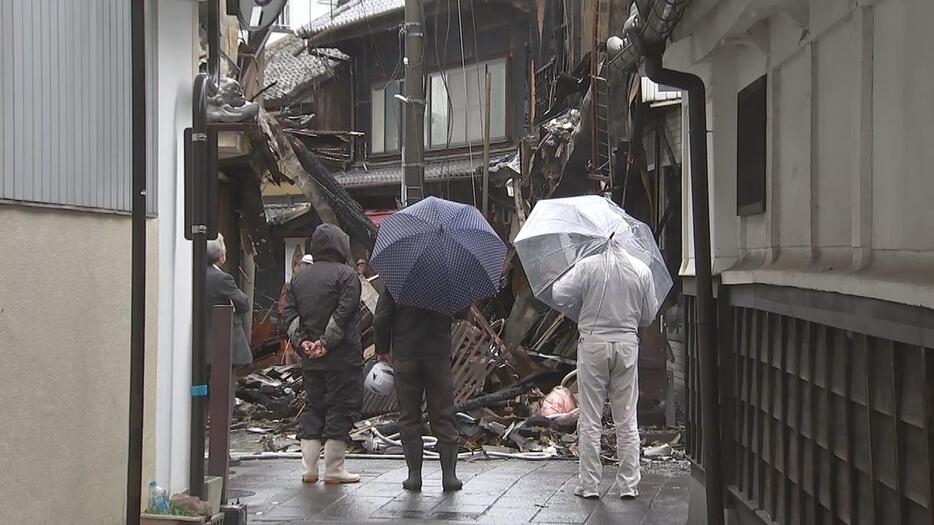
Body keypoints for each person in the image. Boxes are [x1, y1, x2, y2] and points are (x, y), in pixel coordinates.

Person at [552, 250, 658, 501]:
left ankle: (589, 485)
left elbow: (559, 294)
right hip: (626, 344)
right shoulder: (640, 269)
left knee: (590, 417)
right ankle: (629, 485)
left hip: (593, 344)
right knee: (626, 418)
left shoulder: (587, 266)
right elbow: (649, 313)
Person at [283, 224, 363, 485]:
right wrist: (325, 343)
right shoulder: (347, 276)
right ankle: (334, 469)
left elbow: (290, 315)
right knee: (340, 407)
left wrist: (304, 343)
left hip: (310, 360)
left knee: (314, 406)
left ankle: (309, 469)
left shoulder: (297, 279)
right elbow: (344, 312)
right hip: (343, 358)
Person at [372, 289, 463, 492]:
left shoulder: (398, 277)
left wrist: (382, 348)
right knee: (443, 413)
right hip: (437, 356)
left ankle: (414, 477)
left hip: (406, 354)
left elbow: (382, 317)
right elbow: (462, 312)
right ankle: (449, 477)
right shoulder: (447, 276)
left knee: (409, 415)